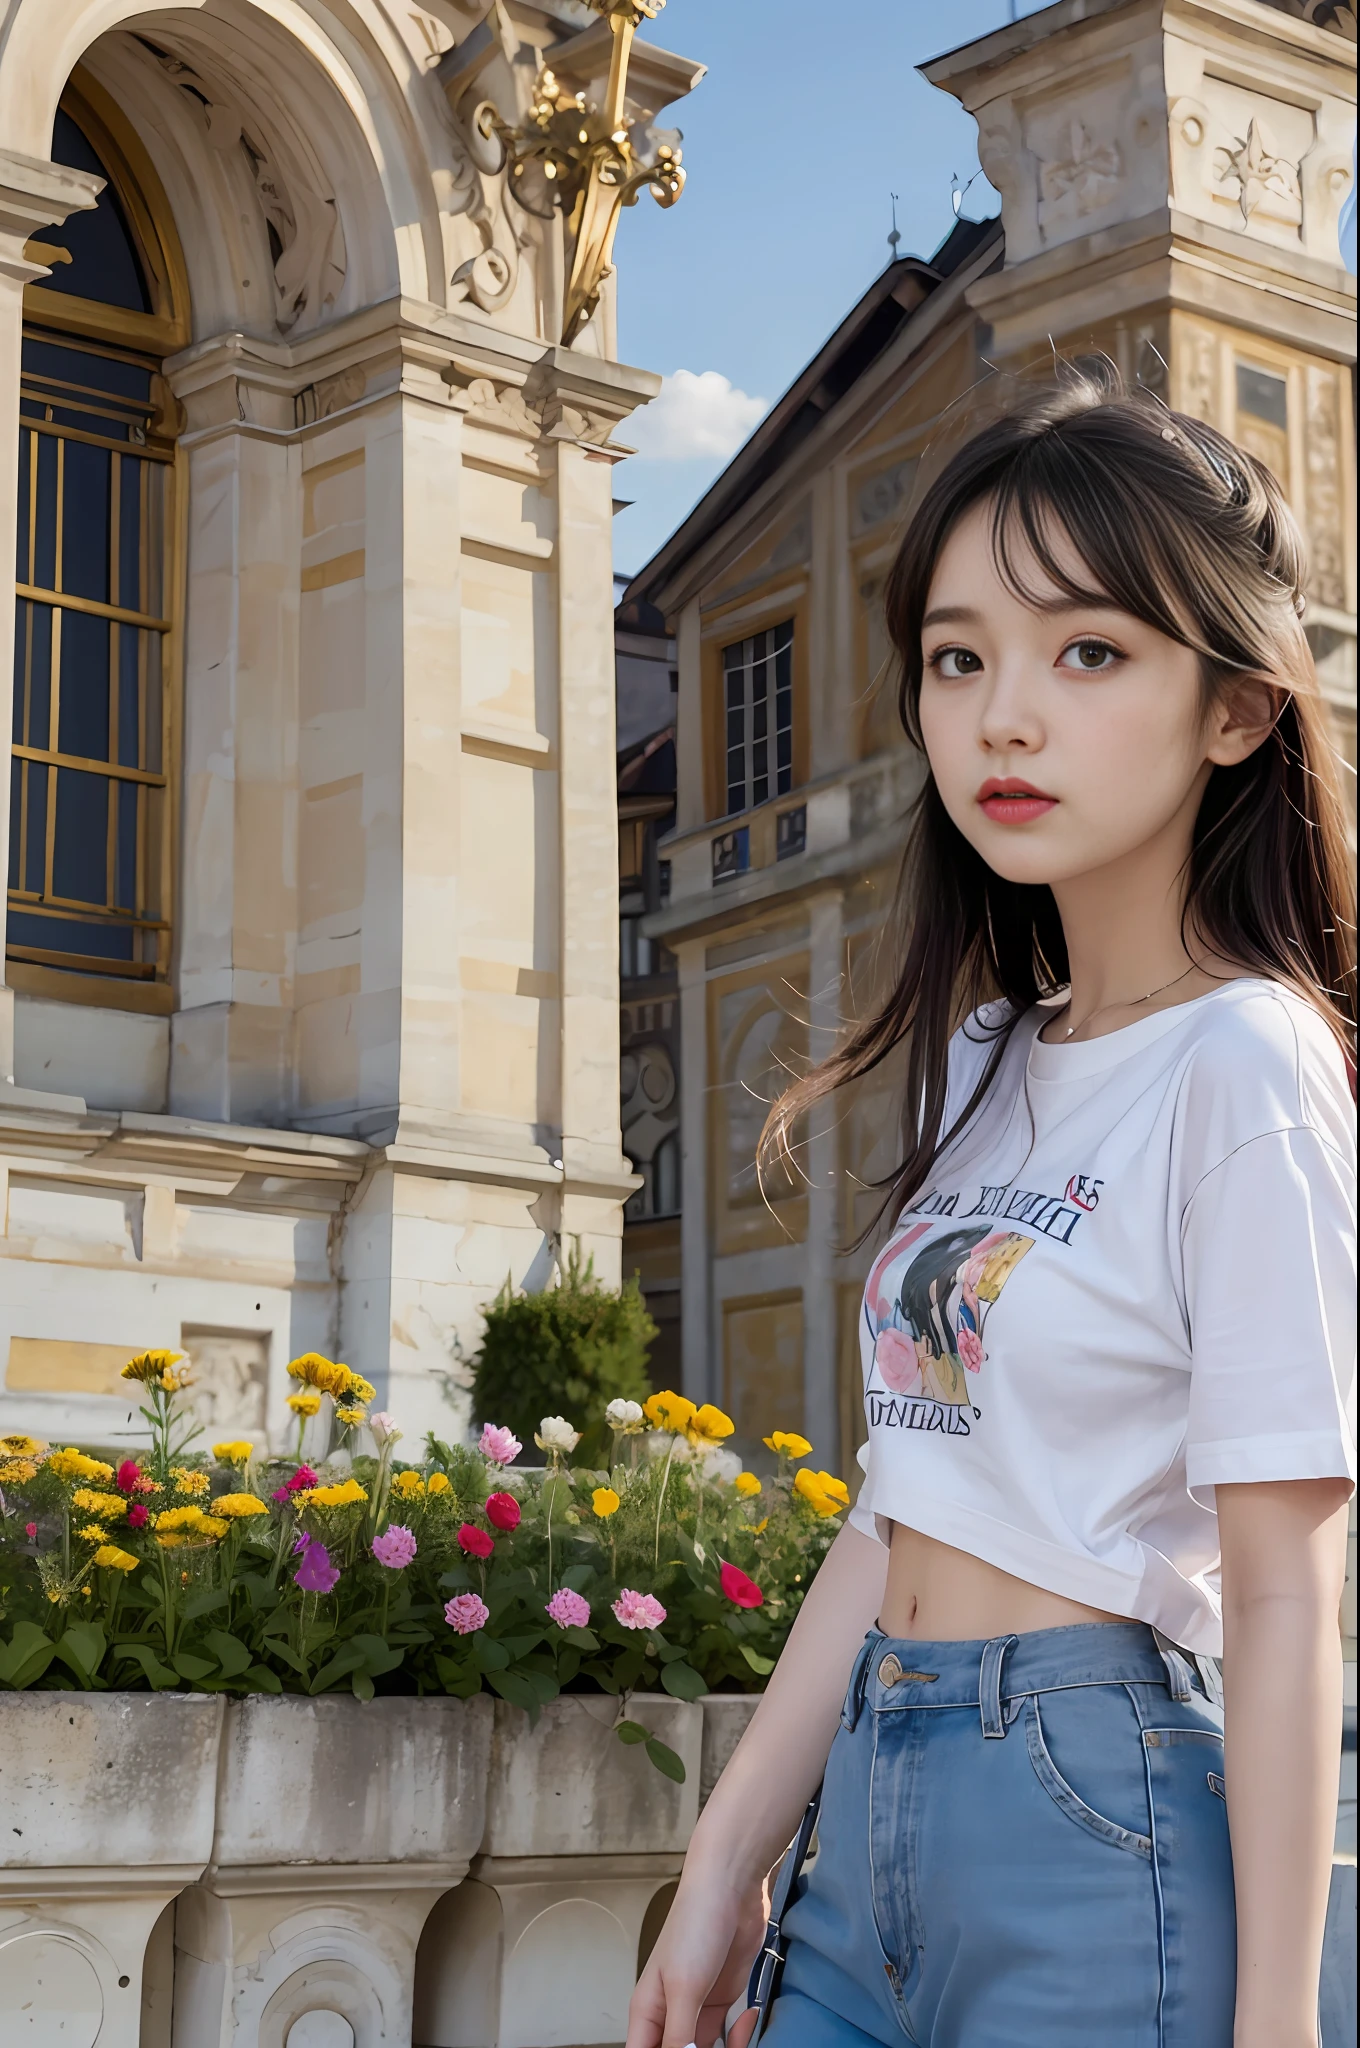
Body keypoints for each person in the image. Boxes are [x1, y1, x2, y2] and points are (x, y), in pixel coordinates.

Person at [625, 361, 1356, 2048]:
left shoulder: (1247, 1066)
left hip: (1094, 1828)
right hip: (866, 1814)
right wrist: (730, 1849)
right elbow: (902, 1504)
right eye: (960, 659)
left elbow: (1283, 1584)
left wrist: (1276, 2024)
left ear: (1237, 708)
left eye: (1087, 652)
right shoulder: (982, 1058)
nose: (1002, 717)